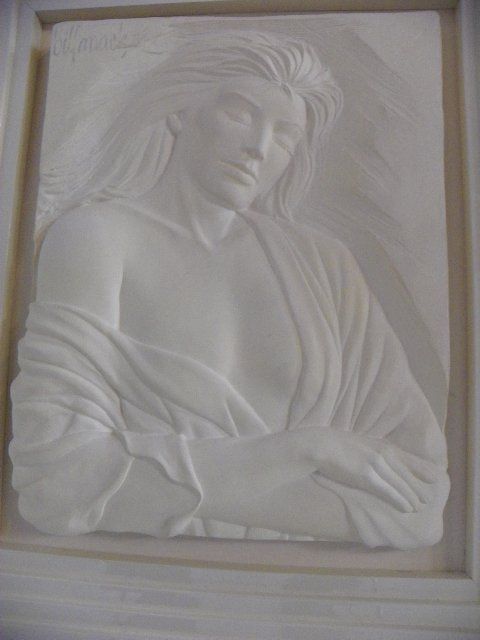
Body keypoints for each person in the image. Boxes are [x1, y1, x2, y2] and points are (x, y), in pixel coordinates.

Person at [9, 31, 449, 548]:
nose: (259, 148)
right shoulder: (97, 238)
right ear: (180, 111)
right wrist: (305, 451)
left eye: (285, 135)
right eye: (240, 114)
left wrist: (155, 487)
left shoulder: (324, 266)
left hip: (303, 590)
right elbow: (58, 483)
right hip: (133, 582)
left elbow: (418, 502)